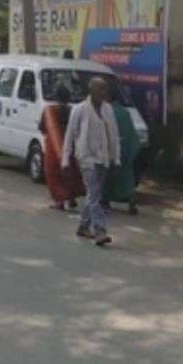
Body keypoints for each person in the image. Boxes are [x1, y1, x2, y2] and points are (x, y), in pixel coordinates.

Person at [61, 77, 120, 247]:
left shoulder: (108, 109)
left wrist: (116, 158)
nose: (105, 93)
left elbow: (114, 135)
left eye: (106, 90)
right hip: (86, 158)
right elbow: (69, 136)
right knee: (94, 194)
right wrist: (65, 159)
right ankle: (100, 230)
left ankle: (83, 225)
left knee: (94, 194)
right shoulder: (79, 110)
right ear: (92, 91)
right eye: (101, 89)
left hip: (104, 158)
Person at [38, 86, 85, 210]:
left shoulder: (49, 111)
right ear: (69, 98)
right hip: (70, 145)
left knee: (53, 173)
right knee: (69, 172)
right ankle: (70, 198)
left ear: (56, 98)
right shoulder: (73, 111)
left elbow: (42, 127)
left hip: (53, 146)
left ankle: (60, 200)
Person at [104, 98, 142, 215]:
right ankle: (131, 199)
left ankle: (105, 201)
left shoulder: (105, 112)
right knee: (126, 177)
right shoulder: (125, 112)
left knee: (107, 178)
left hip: (110, 150)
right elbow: (132, 133)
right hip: (126, 149)